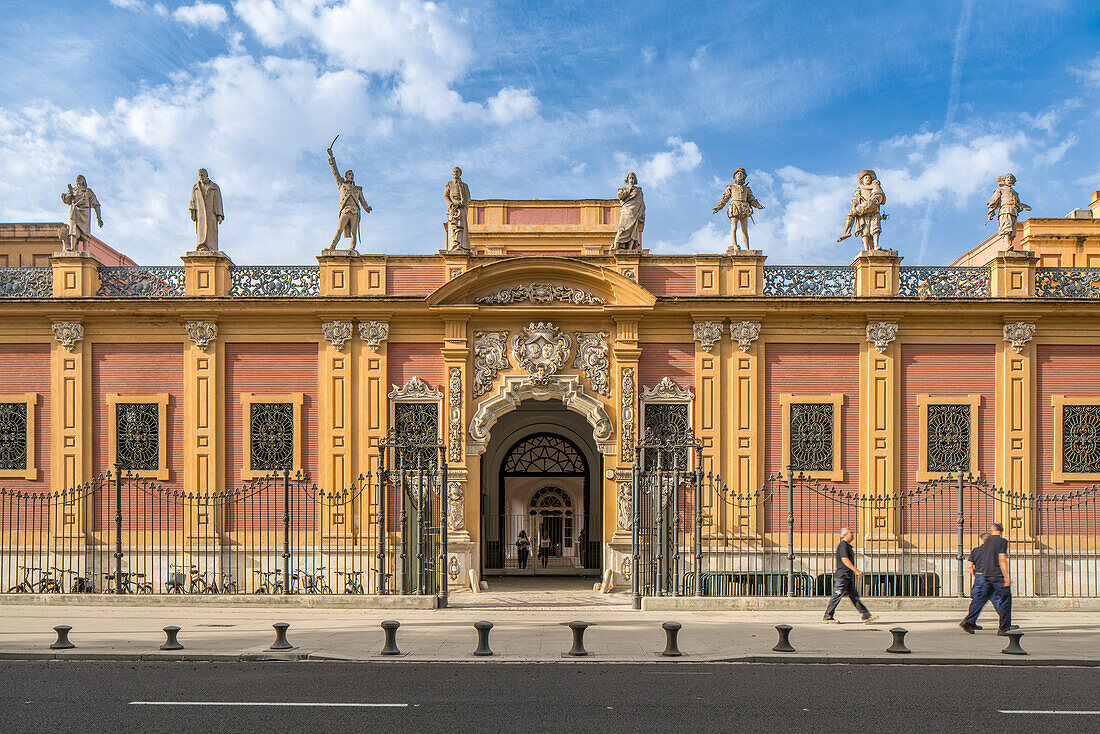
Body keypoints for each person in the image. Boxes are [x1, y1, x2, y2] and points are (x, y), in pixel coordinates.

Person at [960, 522, 1018, 635]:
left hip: (985, 575)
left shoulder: (986, 543)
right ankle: (1003, 628)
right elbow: (1001, 558)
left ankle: (968, 621)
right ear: (1001, 530)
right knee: (1005, 600)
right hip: (997, 575)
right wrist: (1006, 576)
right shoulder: (1002, 541)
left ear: (992, 530)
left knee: (980, 599)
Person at [823, 528, 877, 624]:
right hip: (842, 576)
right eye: (850, 533)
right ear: (845, 535)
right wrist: (856, 570)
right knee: (837, 595)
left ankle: (865, 615)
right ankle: (828, 616)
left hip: (847, 576)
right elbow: (844, 559)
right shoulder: (843, 546)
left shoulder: (847, 546)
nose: (852, 534)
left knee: (854, 596)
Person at [326, 142, 371, 251]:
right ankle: (332, 248)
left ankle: (352, 249)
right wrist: (331, 158)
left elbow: (362, 201)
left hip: (355, 211)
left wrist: (367, 208)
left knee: (354, 232)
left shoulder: (357, 189)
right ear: (346, 176)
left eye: (352, 175)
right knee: (339, 229)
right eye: (349, 174)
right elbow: (335, 172)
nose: (351, 176)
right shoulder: (342, 185)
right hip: (345, 210)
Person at [712, 167, 765, 250]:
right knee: (734, 228)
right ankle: (734, 245)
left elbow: (751, 199)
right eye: (738, 174)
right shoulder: (731, 187)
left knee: (744, 230)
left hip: (744, 208)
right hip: (734, 207)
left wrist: (758, 205)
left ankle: (747, 248)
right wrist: (718, 207)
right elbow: (724, 199)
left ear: (744, 177)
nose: (739, 176)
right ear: (735, 176)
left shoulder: (747, 189)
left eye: (741, 174)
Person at [837, 170, 886, 250]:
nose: (868, 179)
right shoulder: (860, 189)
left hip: (873, 210)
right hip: (863, 212)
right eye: (866, 177)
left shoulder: (875, 187)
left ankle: (876, 245)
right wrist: (854, 207)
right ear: (862, 180)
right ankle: (847, 233)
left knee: (875, 228)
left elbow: (879, 197)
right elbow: (855, 199)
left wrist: (871, 202)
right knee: (865, 231)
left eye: (869, 178)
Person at [60, 175, 103, 253]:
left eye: (80, 178)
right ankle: (72, 247)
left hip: (85, 213)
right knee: (73, 229)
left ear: (84, 181)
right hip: (75, 212)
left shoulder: (88, 192)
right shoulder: (73, 191)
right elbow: (66, 200)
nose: (78, 180)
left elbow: (96, 205)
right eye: (77, 179)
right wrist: (69, 191)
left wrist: (99, 218)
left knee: (85, 232)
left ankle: (85, 250)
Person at [963, 532, 991, 631]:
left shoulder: (976, 550)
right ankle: (969, 621)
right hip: (990, 577)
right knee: (999, 601)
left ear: (982, 540)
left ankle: (971, 622)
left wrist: (975, 575)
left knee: (976, 600)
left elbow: (970, 565)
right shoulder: (993, 551)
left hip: (979, 576)